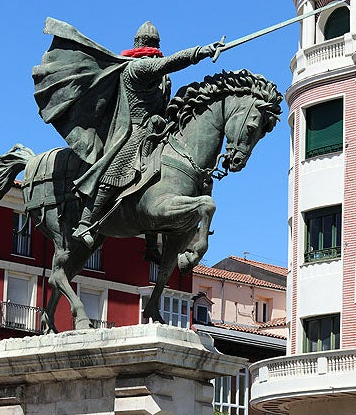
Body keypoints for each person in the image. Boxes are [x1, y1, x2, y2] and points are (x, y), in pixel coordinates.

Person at [32, 19, 224, 248]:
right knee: (119, 166)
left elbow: (161, 102)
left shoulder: (162, 79)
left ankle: (154, 237)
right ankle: (86, 220)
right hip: (132, 130)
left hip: (155, 129)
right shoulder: (138, 68)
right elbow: (171, 62)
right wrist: (202, 51)